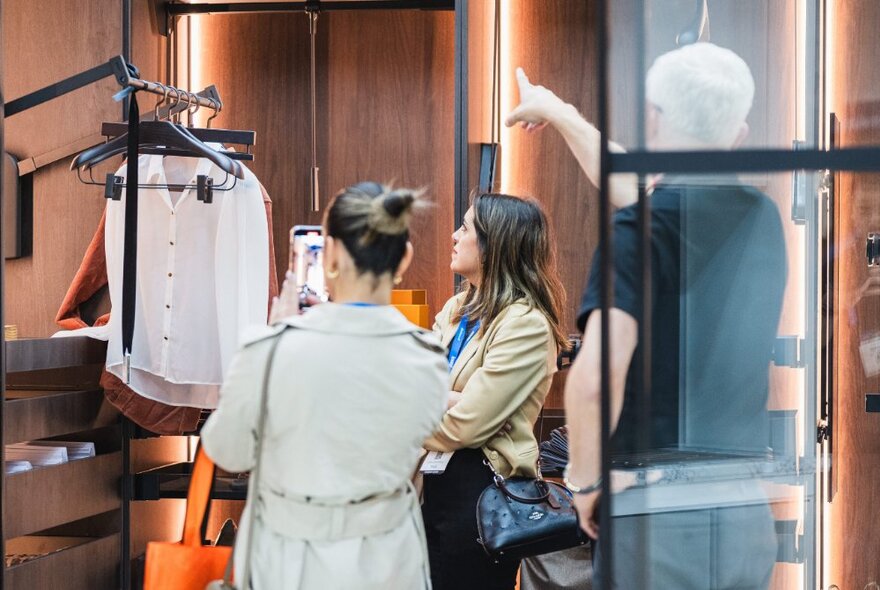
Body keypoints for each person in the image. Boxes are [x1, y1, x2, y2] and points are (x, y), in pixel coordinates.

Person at [506, 43, 786, 589]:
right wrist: (560, 113)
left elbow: (594, 377)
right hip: (742, 508)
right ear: (740, 135)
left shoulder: (638, 231)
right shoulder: (762, 217)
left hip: (658, 512)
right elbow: (643, 193)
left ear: (653, 120)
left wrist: (584, 482)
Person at [201, 182, 448, 590]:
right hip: (389, 565)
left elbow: (229, 451)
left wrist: (279, 332)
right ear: (404, 258)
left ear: (330, 254)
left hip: (289, 564)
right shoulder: (428, 359)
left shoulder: (272, 349)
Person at [421, 193, 568, 590]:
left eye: (465, 228)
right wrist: (454, 400)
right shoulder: (457, 309)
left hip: (483, 495)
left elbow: (466, 427)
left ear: (494, 245)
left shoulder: (526, 325)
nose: (454, 235)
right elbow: (413, 382)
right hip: (429, 484)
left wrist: (407, 413)